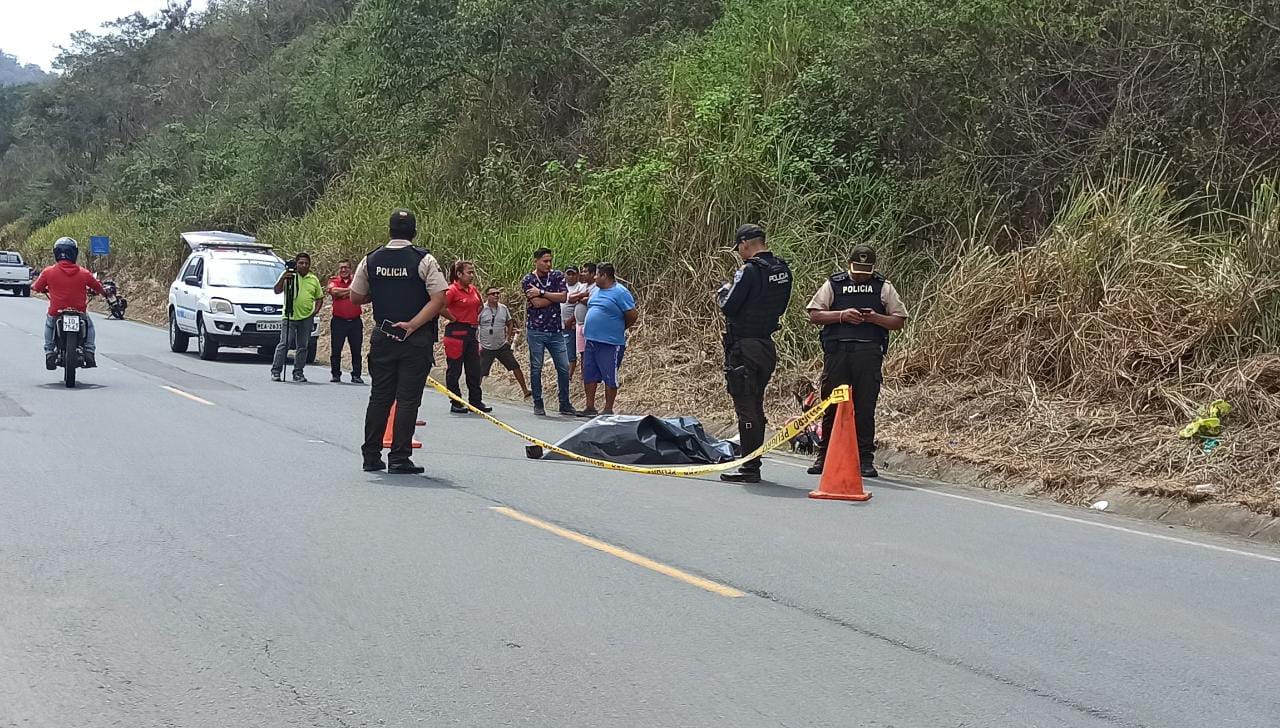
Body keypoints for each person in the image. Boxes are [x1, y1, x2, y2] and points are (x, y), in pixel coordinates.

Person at [348, 208, 448, 474]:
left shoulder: (371, 259)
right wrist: (414, 325)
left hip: (384, 335)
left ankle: (370, 456)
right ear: (414, 232)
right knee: (407, 400)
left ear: (389, 231)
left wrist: (379, 294)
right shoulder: (424, 259)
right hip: (415, 340)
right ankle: (399, 458)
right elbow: (440, 298)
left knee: (379, 397)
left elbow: (355, 297)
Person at [805, 244, 909, 478]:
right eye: (858, 268)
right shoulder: (834, 284)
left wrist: (875, 318)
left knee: (865, 408)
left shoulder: (883, 287)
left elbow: (899, 320)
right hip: (838, 354)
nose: (862, 273)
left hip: (868, 354)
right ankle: (824, 456)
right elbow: (814, 314)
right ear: (849, 264)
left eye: (866, 269)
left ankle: (864, 459)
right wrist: (842, 315)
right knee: (831, 406)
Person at [716, 223, 792, 483]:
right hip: (766, 346)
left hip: (744, 347)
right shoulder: (782, 269)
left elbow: (729, 305)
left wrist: (723, 291)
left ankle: (749, 468)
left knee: (746, 408)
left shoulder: (749, 271)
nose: (738, 252)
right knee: (756, 405)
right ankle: (752, 462)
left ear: (746, 244)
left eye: (738, 247)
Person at [32, 237, 105, 369]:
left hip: (56, 311)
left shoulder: (48, 272)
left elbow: (36, 287)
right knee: (89, 327)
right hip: (79, 311)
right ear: (74, 253)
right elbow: (98, 287)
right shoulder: (84, 273)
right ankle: (89, 351)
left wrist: (42, 288)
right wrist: (101, 292)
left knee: (49, 325)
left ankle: (49, 352)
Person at [580, 262, 637, 417]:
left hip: (610, 343)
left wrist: (618, 327)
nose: (594, 277)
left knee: (609, 375)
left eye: (597, 274)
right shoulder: (596, 291)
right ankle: (589, 407)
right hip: (591, 340)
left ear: (604, 275)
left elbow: (632, 315)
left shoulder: (620, 292)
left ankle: (608, 409)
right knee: (589, 374)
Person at [521, 247, 574, 416]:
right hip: (536, 330)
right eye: (545, 261)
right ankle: (538, 402)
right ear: (536, 261)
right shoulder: (528, 279)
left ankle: (564, 402)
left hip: (555, 329)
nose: (548, 264)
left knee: (564, 367)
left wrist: (542, 293)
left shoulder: (557, 275)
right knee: (536, 367)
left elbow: (563, 297)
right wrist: (552, 297)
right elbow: (536, 303)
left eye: (550, 260)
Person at [441, 260, 492, 413]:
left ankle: (475, 401)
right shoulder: (451, 290)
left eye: (473, 272)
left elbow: (480, 305)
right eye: (469, 272)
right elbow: (440, 307)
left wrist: (472, 317)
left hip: (471, 332)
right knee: (454, 369)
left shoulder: (472, 289)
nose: (472, 275)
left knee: (474, 368)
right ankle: (456, 401)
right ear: (459, 274)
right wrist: (453, 318)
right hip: (456, 332)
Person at [271, 252, 324, 383]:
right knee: (285, 343)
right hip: (289, 315)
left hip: (306, 317)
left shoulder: (313, 279)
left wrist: (315, 311)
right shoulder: (289, 276)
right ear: (296, 264)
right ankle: (276, 371)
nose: (304, 265)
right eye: (301, 263)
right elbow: (277, 290)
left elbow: (319, 297)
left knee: (303, 346)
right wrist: (283, 278)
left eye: (306, 263)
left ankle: (298, 372)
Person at [478, 286, 532, 398]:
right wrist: (478, 342)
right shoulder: (481, 309)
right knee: (481, 372)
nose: (496, 295)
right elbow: (475, 324)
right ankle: (475, 395)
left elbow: (509, 322)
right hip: (486, 346)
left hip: (501, 345)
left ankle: (525, 390)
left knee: (515, 366)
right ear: (487, 296)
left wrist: (508, 339)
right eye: (493, 294)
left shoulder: (503, 308)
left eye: (498, 293)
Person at [327, 259, 364, 384]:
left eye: (346, 268)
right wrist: (352, 291)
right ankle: (336, 374)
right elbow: (334, 291)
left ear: (350, 269)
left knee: (356, 350)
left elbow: (364, 291)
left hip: (355, 322)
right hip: (338, 321)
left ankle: (356, 375)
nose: (343, 270)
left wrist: (344, 293)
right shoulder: (334, 281)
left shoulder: (357, 280)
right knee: (336, 349)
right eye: (341, 268)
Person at [571, 261, 598, 369]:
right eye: (582, 271)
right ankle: (585, 376)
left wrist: (579, 298)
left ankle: (593, 375)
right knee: (582, 352)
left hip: (589, 325)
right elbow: (570, 298)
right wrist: (582, 295)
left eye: (585, 271)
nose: (582, 274)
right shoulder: (582, 287)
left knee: (591, 352)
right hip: (579, 325)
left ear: (593, 274)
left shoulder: (597, 287)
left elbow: (590, 301)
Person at [561, 266, 586, 380]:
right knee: (564, 351)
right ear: (564, 274)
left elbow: (579, 305)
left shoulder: (581, 287)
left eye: (573, 274)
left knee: (577, 351)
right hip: (560, 325)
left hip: (573, 325)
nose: (570, 276)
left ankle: (571, 376)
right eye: (568, 274)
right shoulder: (561, 287)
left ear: (577, 275)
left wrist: (571, 319)